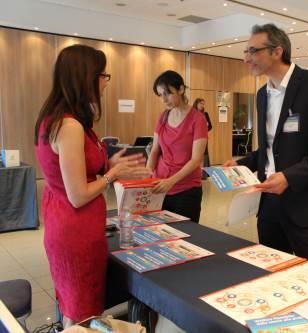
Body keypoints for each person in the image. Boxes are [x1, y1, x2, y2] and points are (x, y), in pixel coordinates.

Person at [34, 45, 150, 327]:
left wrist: (109, 165)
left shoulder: (59, 118)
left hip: (66, 222)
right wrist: (113, 176)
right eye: (103, 75)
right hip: (75, 228)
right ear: (85, 77)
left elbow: (72, 174)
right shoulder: (70, 125)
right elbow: (77, 195)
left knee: (75, 304)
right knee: (82, 310)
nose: (105, 82)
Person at [224, 24, 308, 267]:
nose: (247, 58)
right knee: (273, 274)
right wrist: (240, 164)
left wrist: (289, 177)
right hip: (269, 205)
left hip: (306, 205)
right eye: (245, 51)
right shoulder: (261, 95)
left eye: (253, 51)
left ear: (277, 51)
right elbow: (269, 149)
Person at [147, 71, 208, 223]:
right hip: (159, 187)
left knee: (184, 237)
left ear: (181, 89)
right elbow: (155, 150)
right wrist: (147, 174)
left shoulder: (197, 119)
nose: (163, 99)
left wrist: (170, 181)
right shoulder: (163, 117)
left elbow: (196, 160)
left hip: (185, 190)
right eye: (160, 95)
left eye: (167, 93)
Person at [193, 98, 212, 179]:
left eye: (203, 104)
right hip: (194, 138)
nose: (202, 105)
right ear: (196, 104)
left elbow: (210, 126)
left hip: (203, 137)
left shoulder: (205, 114)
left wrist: (204, 129)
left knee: (205, 154)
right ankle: (195, 174)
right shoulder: (192, 114)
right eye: (201, 103)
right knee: (196, 155)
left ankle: (204, 175)